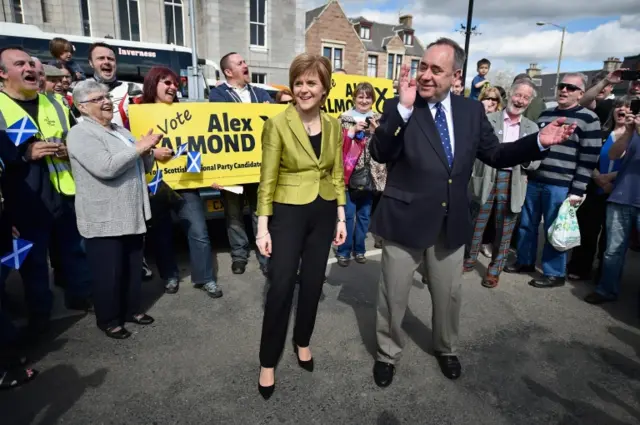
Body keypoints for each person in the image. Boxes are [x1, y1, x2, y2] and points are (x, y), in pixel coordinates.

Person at [368, 37, 576, 387]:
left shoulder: (470, 112)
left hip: (451, 222)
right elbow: (380, 152)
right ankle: (387, 353)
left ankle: (446, 348)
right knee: (393, 295)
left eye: (437, 70)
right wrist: (402, 110)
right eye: (423, 67)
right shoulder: (402, 106)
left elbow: (495, 155)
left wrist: (539, 141)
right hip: (405, 220)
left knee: (449, 295)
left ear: (456, 75)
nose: (427, 76)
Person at [255, 53, 347, 399]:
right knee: (280, 286)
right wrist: (263, 228)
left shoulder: (335, 125)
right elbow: (267, 179)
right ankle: (268, 360)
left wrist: (341, 216)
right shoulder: (277, 123)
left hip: (323, 210)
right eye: (298, 83)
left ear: (324, 88)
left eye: (311, 83)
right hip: (288, 212)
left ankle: (302, 340)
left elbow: (337, 173)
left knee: (312, 283)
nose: (303, 89)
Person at [0, 47, 92, 341]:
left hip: (64, 193)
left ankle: (80, 297)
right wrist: (22, 154)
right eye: (19, 64)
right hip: (24, 199)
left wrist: (69, 149)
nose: (29, 68)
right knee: (34, 263)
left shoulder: (55, 103)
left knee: (75, 252)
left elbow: (75, 136)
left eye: (31, 63)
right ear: (3, 74)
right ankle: (40, 320)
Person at [66, 80, 161, 339]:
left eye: (106, 96)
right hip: (104, 217)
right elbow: (106, 167)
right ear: (83, 107)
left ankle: (132, 310)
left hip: (131, 213)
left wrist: (149, 151)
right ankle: (108, 320)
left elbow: (140, 164)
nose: (106, 101)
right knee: (108, 273)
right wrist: (139, 147)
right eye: (98, 99)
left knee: (131, 268)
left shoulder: (120, 130)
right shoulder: (80, 133)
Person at [505, 73, 602, 289]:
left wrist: (577, 189)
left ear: (581, 93)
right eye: (562, 86)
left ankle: (554, 273)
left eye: (570, 87)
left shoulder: (589, 118)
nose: (564, 90)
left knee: (554, 229)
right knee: (526, 225)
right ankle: (525, 261)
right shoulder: (546, 113)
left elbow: (589, 158)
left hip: (562, 185)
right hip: (535, 179)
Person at [140, 66, 221, 298]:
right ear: (153, 84)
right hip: (156, 183)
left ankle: (205, 278)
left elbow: (198, 144)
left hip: (186, 183)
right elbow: (130, 148)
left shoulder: (188, 112)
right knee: (162, 233)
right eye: (166, 82)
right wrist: (151, 153)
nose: (173, 87)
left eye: (175, 83)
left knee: (198, 231)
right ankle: (170, 276)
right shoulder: (139, 113)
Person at [86, 42, 154, 280]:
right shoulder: (82, 92)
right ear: (91, 63)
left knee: (137, 215)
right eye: (101, 58)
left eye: (110, 58)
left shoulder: (133, 89)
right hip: (103, 161)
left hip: (133, 159)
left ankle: (139, 261)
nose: (106, 63)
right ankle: (112, 271)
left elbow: (151, 118)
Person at [464, 79, 540, 288]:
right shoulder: (489, 119)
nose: (520, 100)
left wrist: (524, 156)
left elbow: (536, 161)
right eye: (518, 95)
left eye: (526, 98)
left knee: (505, 229)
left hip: (513, 180)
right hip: (488, 176)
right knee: (476, 223)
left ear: (530, 102)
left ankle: (495, 269)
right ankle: (468, 260)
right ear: (510, 96)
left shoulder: (532, 127)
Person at [209, 52, 273, 276]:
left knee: (260, 212)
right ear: (228, 72)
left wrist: (269, 111)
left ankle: (265, 256)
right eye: (240, 63)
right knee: (233, 214)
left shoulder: (261, 92)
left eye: (245, 61)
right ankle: (239, 254)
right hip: (232, 171)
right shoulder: (218, 94)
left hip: (259, 169)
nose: (246, 65)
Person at [567, 96, 632, 282]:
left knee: (610, 238)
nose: (622, 109)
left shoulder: (634, 138)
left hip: (619, 192)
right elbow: (587, 156)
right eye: (618, 105)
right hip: (594, 189)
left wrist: (610, 179)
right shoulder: (602, 133)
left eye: (627, 106)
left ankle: (605, 273)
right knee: (587, 231)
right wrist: (598, 178)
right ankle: (580, 268)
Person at [583, 112, 638, 304]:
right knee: (612, 250)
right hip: (622, 197)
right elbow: (614, 154)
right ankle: (606, 289)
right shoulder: (633, 132)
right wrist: (630, 131)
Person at [336, 82, 381, 267]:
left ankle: (360, 249)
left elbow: (385, 145)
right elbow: (336, 144)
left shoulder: (379, 118)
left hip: (370, 175)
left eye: (368, 97)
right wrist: (351, 132)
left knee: (364, 216)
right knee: (347, 215)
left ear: (373, 99)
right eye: (360, 96)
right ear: (354, 98)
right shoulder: (343, 118)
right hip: (349, 174)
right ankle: (343, 251)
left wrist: (377, 132)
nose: (364, 100)